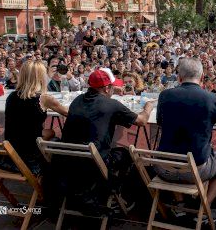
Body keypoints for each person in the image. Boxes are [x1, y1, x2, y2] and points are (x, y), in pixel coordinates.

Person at [59, 68, 154, 210]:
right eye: (112, 86)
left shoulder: (77, 100)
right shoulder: (111, 105)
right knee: (126, 154)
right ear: (107, 88)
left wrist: (112, 91)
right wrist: (148, 107)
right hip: (94, 165)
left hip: (69, 164)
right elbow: (141, 121)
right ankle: (115, 191)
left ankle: (105, 189)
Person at [155, 57, 216, 224]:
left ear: (179, 77)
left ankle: (180, 204)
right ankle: (204, 207)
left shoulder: (164, 95)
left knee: (174, 153)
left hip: (163, 169)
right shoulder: (210, 98)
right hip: (195, 171)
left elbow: (159, 122)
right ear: (202, 76)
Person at [3, 60, 68, 174]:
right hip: (31, 156)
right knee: (54, 136)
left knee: (49, 132)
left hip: (12, 153)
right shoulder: (43, 99)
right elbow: (68, 113)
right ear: (40, 77)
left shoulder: (11, 96)